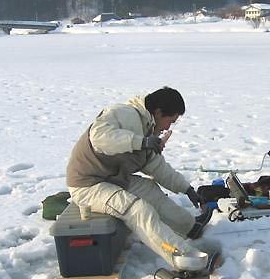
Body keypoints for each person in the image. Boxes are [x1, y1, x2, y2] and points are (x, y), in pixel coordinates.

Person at [66, 87, 215, 269]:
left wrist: (187, 189)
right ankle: (186, 258)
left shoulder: (149, 130)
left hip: (114, 179)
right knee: (138, 211)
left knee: (151, 191)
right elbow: (98, 136)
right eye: (170, 121)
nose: (168, 127)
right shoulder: (123, 114)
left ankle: (190, 227)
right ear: (159, 112)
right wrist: (141, 142)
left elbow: (157, 167)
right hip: (88, 185)